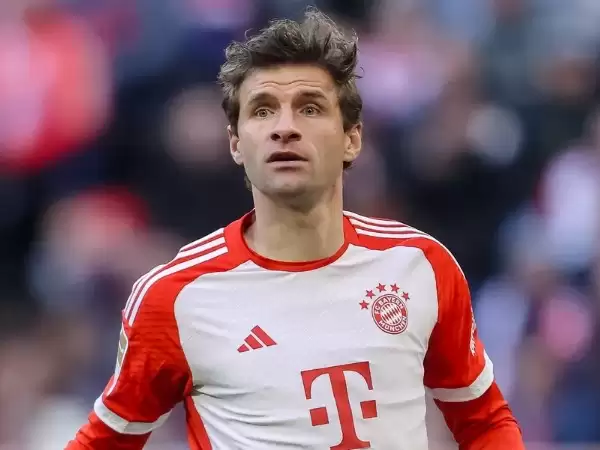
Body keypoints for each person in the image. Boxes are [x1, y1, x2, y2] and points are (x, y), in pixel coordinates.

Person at [67, 8, 524, 450]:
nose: (284, 128)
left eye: (309, 108)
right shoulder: (176, 296)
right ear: (235, 143)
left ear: (352, 138)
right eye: (263, 111)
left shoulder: (419, 265)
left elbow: (483, 421)